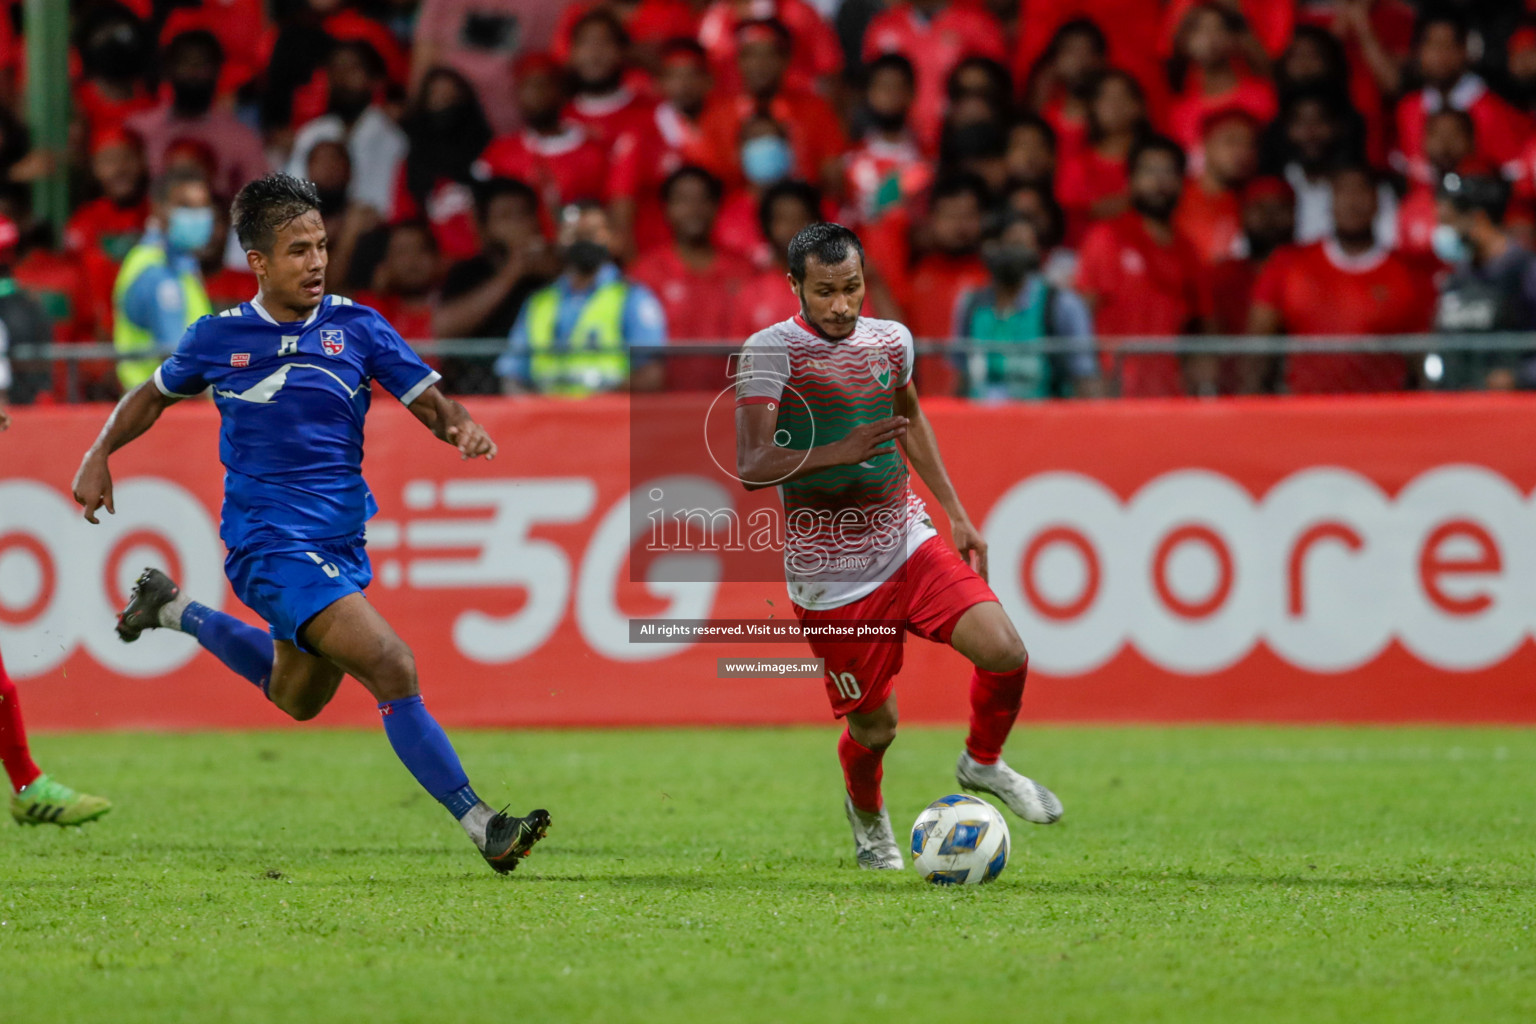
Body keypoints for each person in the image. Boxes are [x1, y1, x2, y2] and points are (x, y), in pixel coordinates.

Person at [70, 173, 548, 873]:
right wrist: (99, 451)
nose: (317, 262)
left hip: (338, 541)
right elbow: (151, 396)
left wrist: (460, 426)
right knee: (391, 663)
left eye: (321, 245)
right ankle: (484, 825)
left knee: (297, 698)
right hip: (268, 543)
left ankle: (173, 609)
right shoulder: (220, 337)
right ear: (258, 262)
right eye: (297, 250)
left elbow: (424, 394)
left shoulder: (357, 326)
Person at [732, 221, 1062, 871]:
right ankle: (867, 818)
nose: (840, 305)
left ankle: (984, 762)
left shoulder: (891, 340)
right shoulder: (770, 353)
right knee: (875, 728)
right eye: (824, 291)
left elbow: (909, 423)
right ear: (794, 285)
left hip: (904, 538)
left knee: (1006, 652)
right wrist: (840, 450)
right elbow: (751, 463)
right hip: (832, 573)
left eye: (851, 287)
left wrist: (957, 515)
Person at [1249, 163, 1435, 394]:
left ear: (1377, 201)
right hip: (1306, 415)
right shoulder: (1287, 265)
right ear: (1331, 201)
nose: (1352, 201)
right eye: (1343, 191)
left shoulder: (1409, 274)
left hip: (1382, 417)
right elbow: (1256, 349)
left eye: (1361, 191)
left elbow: (1421, 357)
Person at [1075, 134, 1210, 397]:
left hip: (1170, 393)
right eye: (1149, 171)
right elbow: (1081, 317)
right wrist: (1089, 380)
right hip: (1112, 389)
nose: (1159, 182)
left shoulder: (1188, 250)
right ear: (1130, 181)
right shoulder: (1106, 237)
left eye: (1169, 172)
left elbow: (1201, 324)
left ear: (1183, 183)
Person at [497, 201, 667, 395]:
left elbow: (651, 375)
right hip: (546, 420)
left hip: (608, 419)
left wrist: (593, 406)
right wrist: (535, 413)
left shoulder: (632, 298)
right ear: (559, 238)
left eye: (590, 234)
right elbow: (512, 375)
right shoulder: (539, 302)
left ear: (611, 238)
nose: (581, 242)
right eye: (574, 234)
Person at [629, 166, 754, 390]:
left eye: (702, 200)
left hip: (730, 406)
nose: (693, 209)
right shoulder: (645, 273)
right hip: (666, 408)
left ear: (716, 206)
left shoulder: (744, 270)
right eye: (682, 200)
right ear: (666, 209)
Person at [952, 212, 1099, 400]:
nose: (1017, 254)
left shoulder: (1062, 305)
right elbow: (960, 379)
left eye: (1024, 246)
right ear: (989, 247)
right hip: (982, 422)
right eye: (1011, 244)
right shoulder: (970, 304)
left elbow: (1084, 379)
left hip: (1044, 422)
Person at [435, 177, 554, 395]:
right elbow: (443, 327)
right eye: (505, 216)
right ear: (484, 226)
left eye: (524, 214)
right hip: (478, 393)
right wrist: (513, 270)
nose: (518, 224)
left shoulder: (555, 270)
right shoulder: (467, 272)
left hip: (542, 391)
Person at [125, 31, 268, 202]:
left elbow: (257, 201)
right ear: (169, 69)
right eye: (185, 62)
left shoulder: (241, 138)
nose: (193, 71)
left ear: (217, 70)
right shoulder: (140, 129)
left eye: (202, 64)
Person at [112, 169, 218, 392]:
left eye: (203, 206)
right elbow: (179, 366)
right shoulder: (157, 272)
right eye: (186, 206)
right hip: (160, 412)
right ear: (158, 209)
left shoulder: (181, 266)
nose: (198, 216)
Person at [472, 52, 612, 220]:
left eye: (543, 84)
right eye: (526, 86)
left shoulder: (595, 147)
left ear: (561, 91)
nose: (535, 94)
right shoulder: (498, 154)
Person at [1432, 173, 1536, 390]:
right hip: (1457, 406)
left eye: (1448, 223)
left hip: (1513, 410)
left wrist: (1520, 377)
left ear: (1478, 219)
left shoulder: (1524, 270)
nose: (1441, 233)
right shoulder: (1457, 278)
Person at [861, 0, 1008, 153]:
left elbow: (996, 87)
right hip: (897, 146)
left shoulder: (977, 24)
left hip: (961, 144)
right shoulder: (883, 24)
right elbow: (870, 88)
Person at [286, 40, 409, 222]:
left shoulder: (391, 135)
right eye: (335, 69)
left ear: (375, 80)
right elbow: (293, 197)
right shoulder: (313, 132)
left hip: (372, 231)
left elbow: (387, 204)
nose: (342, 77)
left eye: (352, 68)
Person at [730, 179, 822, 337]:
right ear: (767, 227)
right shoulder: (749, 294)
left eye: (801, 219)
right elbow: (737, 357)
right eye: (783, 219)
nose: (793, 228)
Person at [1174, 109, 1259, 266]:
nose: (1242, 152)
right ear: (1205, 143)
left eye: (1249, 144)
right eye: (1231, 141)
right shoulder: (1175, 194)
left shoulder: (1256, 203)